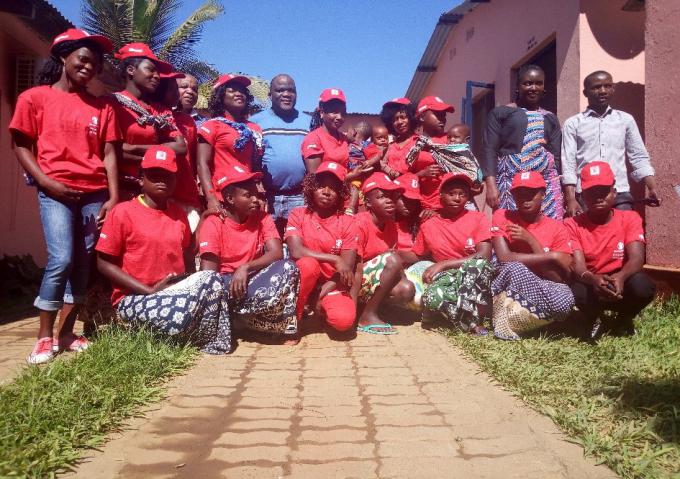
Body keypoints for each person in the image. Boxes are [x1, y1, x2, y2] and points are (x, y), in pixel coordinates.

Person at [9, 29, 120, 364]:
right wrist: (46, 181)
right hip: (55, 190)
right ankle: (44, 337)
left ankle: (67, 333)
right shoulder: (34, 98)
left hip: (94, 193)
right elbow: (21, 145)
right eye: (83, 59)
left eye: (95, 64)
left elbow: (110, 154)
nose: (88, 67)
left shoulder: (102, 107)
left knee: (82, 264)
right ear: (63, 57)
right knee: (61, 259)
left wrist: (113, 197)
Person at [96, 146, 232, 354]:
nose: (162, 181)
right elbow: (103, 262)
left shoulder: (178, 215)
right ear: (141, 178)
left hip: (171, 293)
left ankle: (203, 339)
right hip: (135, 298)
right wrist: (148, 290)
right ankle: (176, 331)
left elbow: (187, 254)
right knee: (184, 312)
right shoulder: (122, 212)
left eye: (168, 176)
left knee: (211, 279)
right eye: (155, 176)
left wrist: (204, 219)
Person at [198, 165, 301, 340]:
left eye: (257, 194)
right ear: (230, 198)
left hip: (252, 278)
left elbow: (276, 252)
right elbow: (208, 275)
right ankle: (239, 318)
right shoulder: (214, 222)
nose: (256, 200)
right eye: (248, 195)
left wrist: (246, 267)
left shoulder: (263, 218)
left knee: (289, 267)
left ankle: (244, 320)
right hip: (226, 285)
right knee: (213, 284)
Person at [565, 161, 655, 338]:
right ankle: (595, 317)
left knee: (643, 286)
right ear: (583, 196)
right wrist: (593, 280)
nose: (598, 197)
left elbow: (637, 258)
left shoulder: (630, 218)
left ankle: (624, 319)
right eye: (592, 192)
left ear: (614, 193)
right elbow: (579, 267)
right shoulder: (572, 224)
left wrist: (620, 277)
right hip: (592, 281)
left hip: (621, 281)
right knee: (576, 291)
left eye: (603, 191)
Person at [401, 173, 493, 335]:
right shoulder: (429, 224)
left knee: (477, 265)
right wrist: (393, 255)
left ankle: (471, 321)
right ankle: (463, 315)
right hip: (447, 276)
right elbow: (419, 255)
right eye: (451, 193)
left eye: (462, 194)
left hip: (472, 272)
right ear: (441, 195)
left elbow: (484, 255)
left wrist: (444, 263)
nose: (457, 198)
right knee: (431, 298)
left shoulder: (478, 218)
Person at [490, 171, 575, 340]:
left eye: (531, 194)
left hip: (542, 285)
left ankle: (520, 322)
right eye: (519, 194)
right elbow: (504, 258)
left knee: (565, 297)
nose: (525, 199)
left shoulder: (557, 228)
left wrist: (532, 241)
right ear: (513, 195)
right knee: (514, 268)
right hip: (510, 283)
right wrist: (552, 256)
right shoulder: (502, 216)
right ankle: (520, 323)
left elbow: (556, 278)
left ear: (543, 194)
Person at [562, 70, 658, 215]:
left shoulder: (625, 120)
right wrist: (570, 199)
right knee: (591, 237)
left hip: (619, 192)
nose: (602, 91)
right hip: (587, 194)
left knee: (624, 235)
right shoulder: (573, 123)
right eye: (596, 87)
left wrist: (652, 187)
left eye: (607, 86)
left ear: (613, 89)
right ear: (585, 92)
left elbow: (638, 156)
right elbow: (568, 163)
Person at [284, 161, 359, 333]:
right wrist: (334, 258)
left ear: (341, 193)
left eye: (333, 188)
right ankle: (293, 318)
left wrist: (321, 293)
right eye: (321, 186)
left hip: (330, 283)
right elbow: (296, 251)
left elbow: (345, 268)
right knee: (308, 264)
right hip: (301, 282)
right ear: (311, 187)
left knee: (344, 321)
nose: (326, 192)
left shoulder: (348, 222)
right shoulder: (298, 214)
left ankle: (319, 306)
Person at [482, 64, 563, 220]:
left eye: (538, 83)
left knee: (547, 231)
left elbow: (556, 157)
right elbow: (490, 149)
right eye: (527, 83)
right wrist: (491, 185)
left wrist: (559, 190)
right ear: (518, 86)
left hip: (545, 186)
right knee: (510, 230)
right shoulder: (500, 113)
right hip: (510, 184)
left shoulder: (550, 118)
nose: (533, 87)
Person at [111, 43, 186, 200]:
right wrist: (158, 156)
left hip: (152, 194)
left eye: (157, 72)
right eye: (150, 70)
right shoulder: (111, 104)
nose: (157, 76)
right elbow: (111, 153)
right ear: (131, 70)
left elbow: (180, 147)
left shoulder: (160, 110)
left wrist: (132, 148)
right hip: (118, 189)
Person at [354, 173, 415, 334]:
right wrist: (350, 305)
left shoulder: (391, 224)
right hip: (353, 281)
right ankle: (366, 315)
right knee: (392, 258)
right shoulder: (359, 223)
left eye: (392, 196)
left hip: (372, 280)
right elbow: (355, 266)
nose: (389, 201)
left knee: (406, 289)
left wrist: (405, 283)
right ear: (368, 202)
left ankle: (376, 308)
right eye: (382, 197)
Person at [250, 74, 308, 236]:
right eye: (280, 90)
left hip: (299, 197)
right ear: (270, 95)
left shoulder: (308, 122)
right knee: (267, 248)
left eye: (291, 90)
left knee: (298, 250)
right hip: (266, 197)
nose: (286, 94)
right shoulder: (255, 122)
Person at [197, 73, 263, 216]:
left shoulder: (254, 129)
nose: (238, 94)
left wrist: (259, 194)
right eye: (232, 90)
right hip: (222, 197)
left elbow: (256, 165)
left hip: (248, 198)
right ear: (220, 96)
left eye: (241, 91)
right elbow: (202, 164)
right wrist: (211, 197)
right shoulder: (211, 126)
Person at [156, 73, 202, 233]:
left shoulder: (190, 122)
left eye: (195, 89)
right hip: (160, 193)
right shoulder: (155, 116)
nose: (190, 92)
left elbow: (195, 161)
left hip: (187, 195)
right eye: (183, 87)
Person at [412, 96, 454, 211]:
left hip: (451, 207)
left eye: (444, 115)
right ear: (422, 117)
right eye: (438, 114)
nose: (442, 119)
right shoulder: (412, 143)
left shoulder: (452, 139)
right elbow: (402, 178)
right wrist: (420, 174)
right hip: (423, 208)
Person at [380, 97, 418, 178]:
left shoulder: (420, 142)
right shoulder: (390, 146)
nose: (399, 122)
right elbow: (382, 165)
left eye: (403, 117)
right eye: (395, 119)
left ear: (411, 118)